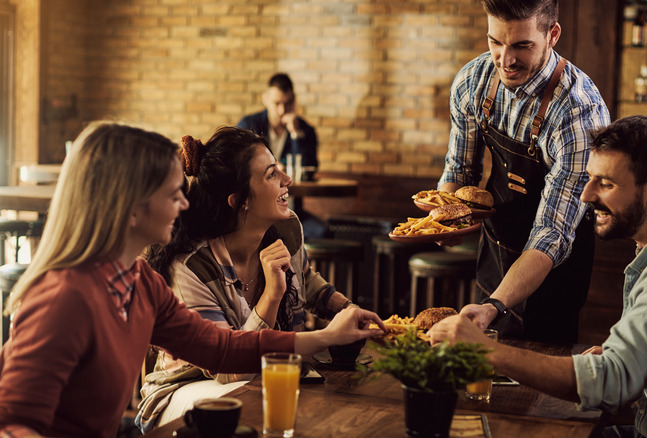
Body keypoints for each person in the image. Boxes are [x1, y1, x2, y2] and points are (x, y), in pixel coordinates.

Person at [0, 122, 384, 438]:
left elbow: (222, 348)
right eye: (172, 195)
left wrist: (329, 336)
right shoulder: (63, 298)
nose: (185, 205)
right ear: (131, 208)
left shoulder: (138, 283)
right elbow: (13, 425)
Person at [429, 115, 647, 438]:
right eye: (589, 178)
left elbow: (611, 386)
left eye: (605, 183)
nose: (587, 195)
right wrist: (621, 356)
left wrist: (485, 351)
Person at [136, 126, 354, 431]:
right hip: (188, 390)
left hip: (260, 375)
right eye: (271, 174)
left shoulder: (287, 229)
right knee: (258, 402)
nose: (287, 180)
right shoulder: (192, 268)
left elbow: (306, 281)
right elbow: (228, 368)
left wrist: (348, 311)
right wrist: (272, 296)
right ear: (240, 200)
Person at [438, 0, 611, 342]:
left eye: (522, 45)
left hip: (552, 277)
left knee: (536, 386)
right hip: (496, 251)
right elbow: (459, 171)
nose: (505, 60)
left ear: (552, 34)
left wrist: (493, 307)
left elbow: (551, 233)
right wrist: (445, 217)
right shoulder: (473, 82)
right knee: (482, 379)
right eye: (495, 42)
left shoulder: (578, 113)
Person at [237, 73, 326, 238]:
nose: (282, 110)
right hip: (256, 210)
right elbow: (240, 168)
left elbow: (308, 170)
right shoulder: (248, 125)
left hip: (291, 208)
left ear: (294, 100)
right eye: (277, 103)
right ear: (265, 99)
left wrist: (295, 134)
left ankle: (302, 265)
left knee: (321, 232)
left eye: (288, 103)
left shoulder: (305, 130)